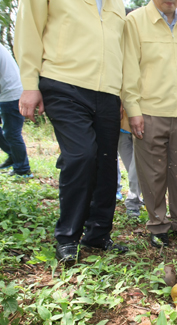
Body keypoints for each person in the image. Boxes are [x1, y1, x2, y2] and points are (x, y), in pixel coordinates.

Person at [14, 0, 129, 262]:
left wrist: (121, 92)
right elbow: (29, 29)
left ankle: (98, 234)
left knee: (106, 164)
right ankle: (67, 237)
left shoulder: (117, 4)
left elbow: (119, 50)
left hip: (108, 91)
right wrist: (30, 83)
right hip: (64, 82)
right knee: (81, 155)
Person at [122, 0, 177, 249]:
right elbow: (129, 68)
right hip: (148, 112)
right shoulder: (135, 21)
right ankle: (158, 225)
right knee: (153, 173)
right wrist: (133, 109)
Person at [0, 44, 32, 178]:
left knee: (12, 133)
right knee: (10, 133)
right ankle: (14, 156)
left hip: (12, 95)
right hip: (7, 93)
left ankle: (23, 169)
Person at [118, 112, 144, 217]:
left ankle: (132, 203)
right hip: (121, 127)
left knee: (135, 169)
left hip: (142, 126)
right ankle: (146, 196)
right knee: (132, 170)